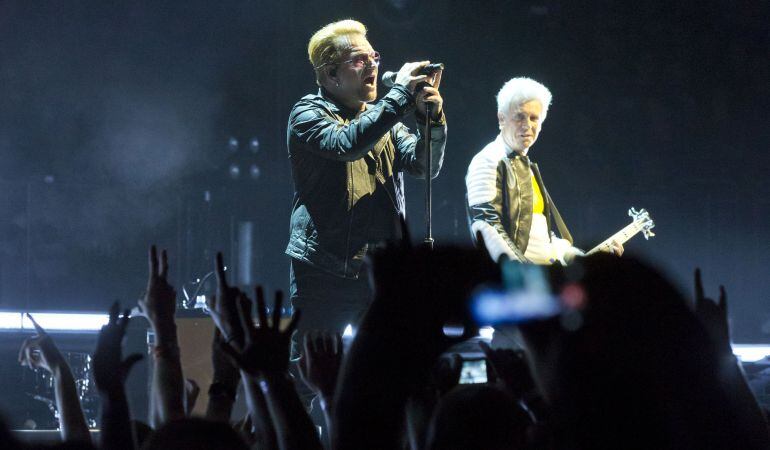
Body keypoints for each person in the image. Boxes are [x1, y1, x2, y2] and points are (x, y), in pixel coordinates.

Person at [285, 19, 447, 353]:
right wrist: (400, 96)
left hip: (381, 271)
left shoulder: (382, 119)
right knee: (308, 371)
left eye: (374, 56)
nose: (372, 64)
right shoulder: (307, 114)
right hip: (325, 270)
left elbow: (422, 166)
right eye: (360, 60)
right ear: (331, 74)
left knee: (384, 370)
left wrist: (429, 119)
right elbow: (347, 143)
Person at [466, 77, 621, 265]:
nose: (527, 125)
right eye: (519, 116)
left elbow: (542, 239)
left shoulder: (526, 167)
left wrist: (580, 258)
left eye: (534, 118)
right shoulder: (488, 160)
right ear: (501, 118)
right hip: (519, 286)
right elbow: (485, 225)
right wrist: (524, 276)